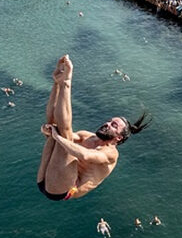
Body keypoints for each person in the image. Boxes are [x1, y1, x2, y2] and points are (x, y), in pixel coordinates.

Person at [36, 55, 151, 201]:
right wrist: (47, 130)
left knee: (63, 134)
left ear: (119, 137)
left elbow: (84, 155)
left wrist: (56, 137)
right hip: (45, 178)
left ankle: (66, 82)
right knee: (55, 127)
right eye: (109, 121)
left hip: (62, 190)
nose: (107, 124)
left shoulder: (111, 154)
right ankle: (58, 83)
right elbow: (57, 129)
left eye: (113, 125)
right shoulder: (87, 136)